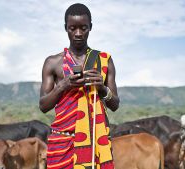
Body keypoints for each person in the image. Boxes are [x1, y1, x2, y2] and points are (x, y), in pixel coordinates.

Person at [39, 3, 119, 169]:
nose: (78, 33)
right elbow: (43, 106)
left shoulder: (104, 60)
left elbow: (115, 105)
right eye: (72, 28)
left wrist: (102, 89)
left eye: (83, 28)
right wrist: (63, 85)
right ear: (65, 28)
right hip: (62, 143)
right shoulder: (53, 63)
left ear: (90, 27)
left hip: (96, 144)